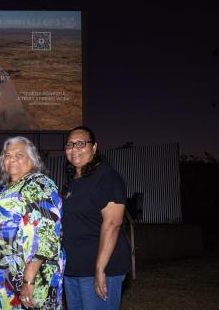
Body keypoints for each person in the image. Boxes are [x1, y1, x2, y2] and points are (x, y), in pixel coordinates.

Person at [0, 136, 65, 310]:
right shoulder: (9, 189)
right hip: (2, 279)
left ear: (32, 159)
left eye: (19, 154)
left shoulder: (39, 184)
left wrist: (28, 280)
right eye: (7, 155)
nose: (12, 158)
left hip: (23, 279)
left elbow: (47, 236)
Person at [62, 126, 131, 310]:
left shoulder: (106, 177)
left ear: (94, 147)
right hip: (73, 270)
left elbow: (113, 223)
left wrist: (100, 268)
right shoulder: (73, 182)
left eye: (81, 143)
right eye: (69, 144)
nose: (74, 148)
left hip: (99, 269)